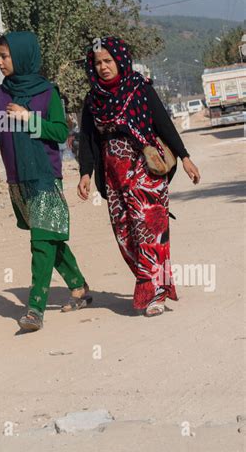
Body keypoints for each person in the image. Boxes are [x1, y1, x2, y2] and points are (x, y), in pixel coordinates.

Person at [78, 37, 200, 317]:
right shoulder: (93, 98)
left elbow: (163, 124)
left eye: (108, 61)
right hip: (113, 175)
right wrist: (86, 172)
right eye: (97, 63)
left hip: (145, 170)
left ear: (120, 60)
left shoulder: (139, 88)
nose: (103, 67)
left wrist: (185, 157)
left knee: (149, 229)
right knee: (125, 233)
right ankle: (149, 281)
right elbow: (88, 139)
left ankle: (155, 291)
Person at [0, 31, 91, 332]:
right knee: (49, 236)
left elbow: (59, 133)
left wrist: (30, 118)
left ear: (22, 56)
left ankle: (35, 310)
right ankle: (78, 288)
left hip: (44, 177)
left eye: (5, 56)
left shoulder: (46, 93)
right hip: (18, 180)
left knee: (40, 241)